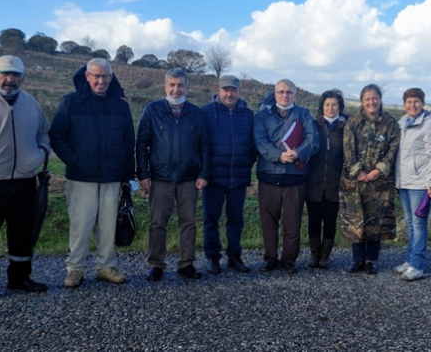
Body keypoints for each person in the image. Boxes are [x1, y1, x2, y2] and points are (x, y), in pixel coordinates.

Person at [0, 55, 50, 301]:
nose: (9, 79)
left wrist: (41, 155)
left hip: (24, 181)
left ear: (22, 78)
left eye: (15, 75)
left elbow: (44, 132)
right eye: (4, 73)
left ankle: (19, 278)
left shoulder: (31, 104)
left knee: (21, 232)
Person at [50, 58, 135, 288]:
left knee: (109, 226)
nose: (101, 80)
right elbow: (56, 135)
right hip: (81, 177)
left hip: (112, 177)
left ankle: (105, 267)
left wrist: (128, 176)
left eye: (105, 76)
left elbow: (129, 142)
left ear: (111, 77)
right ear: (87, 77)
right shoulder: (71, 102)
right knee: (81, 225)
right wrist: (73, 160)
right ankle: (75, 269)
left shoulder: (121, 106)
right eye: (96, 76)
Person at [136, 69, 210, 281]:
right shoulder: (152, 110)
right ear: (165, 86)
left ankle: (186, 264)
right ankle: (156, 265)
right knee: (157, 223)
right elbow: (142, 145)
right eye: (172, 85)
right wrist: (143, 173)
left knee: (188, 223)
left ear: (187, 87)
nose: (176, 90)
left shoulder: (196, 113)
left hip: (189, 178)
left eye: (180, 85)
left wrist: (204, 173)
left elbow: (205, 146)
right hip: (160, 178)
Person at [253, 79, 319, 273]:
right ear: (275, 94)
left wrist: (299, 153)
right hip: (269, 176)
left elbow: (312, 139)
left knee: (292, 223)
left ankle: (288, 260)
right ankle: (270, 258)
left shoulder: (304, 114)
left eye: (288, 92)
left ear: (294, 95)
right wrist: (278, 156)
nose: (284, 95)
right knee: (269, 222)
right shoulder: (262, 115)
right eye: (280, 92)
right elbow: (260, 141)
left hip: (295, 177)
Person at [340, 84, 400, 274]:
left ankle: (371, 261)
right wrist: (357, 171)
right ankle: (357, 260)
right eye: (367, 99)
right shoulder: (353, 123)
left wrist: (379, 170)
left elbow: (392, 149)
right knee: (356, 220)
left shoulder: (391, 124)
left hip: (379, 182)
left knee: (376, 221)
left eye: (374, 98)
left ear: (380, 99)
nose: (371, 102)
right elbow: (348, 149)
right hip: (355, 181)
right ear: (362, 101)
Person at [201, 75, 254, 274]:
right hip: (213, 177)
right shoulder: (206, 112)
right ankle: (213, 257)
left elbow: (253, 144)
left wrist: (248, 162)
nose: (229, 94)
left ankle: (234, 257)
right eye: (226, 89)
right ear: (219, 90)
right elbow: (201, 144)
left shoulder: (248, 114)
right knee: (210, 219)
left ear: (239, 91)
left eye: (233, 90)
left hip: (238, 176)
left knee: (236, 220)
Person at [393, 88, 431, 281]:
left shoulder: (429, 124)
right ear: (404, 104)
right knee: (411, 224)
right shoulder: (403, 123)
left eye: (416, 101)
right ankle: (410, 260)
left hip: (420, 183)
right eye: (409, 101)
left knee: (419, 225)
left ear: (423, 102)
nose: (412, 105)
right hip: (403, 181)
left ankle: (417, 265)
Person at [305, 89, 347, 269]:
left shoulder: (345, 128)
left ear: (340, 107)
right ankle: (314, 255)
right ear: (322, 107)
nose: (331, 108)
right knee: (314, 219)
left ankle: (325, 256)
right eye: (327, 104)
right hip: (313, 182)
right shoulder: (313, 125)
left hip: (335, 183)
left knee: (330, 220)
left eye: (334, 104)